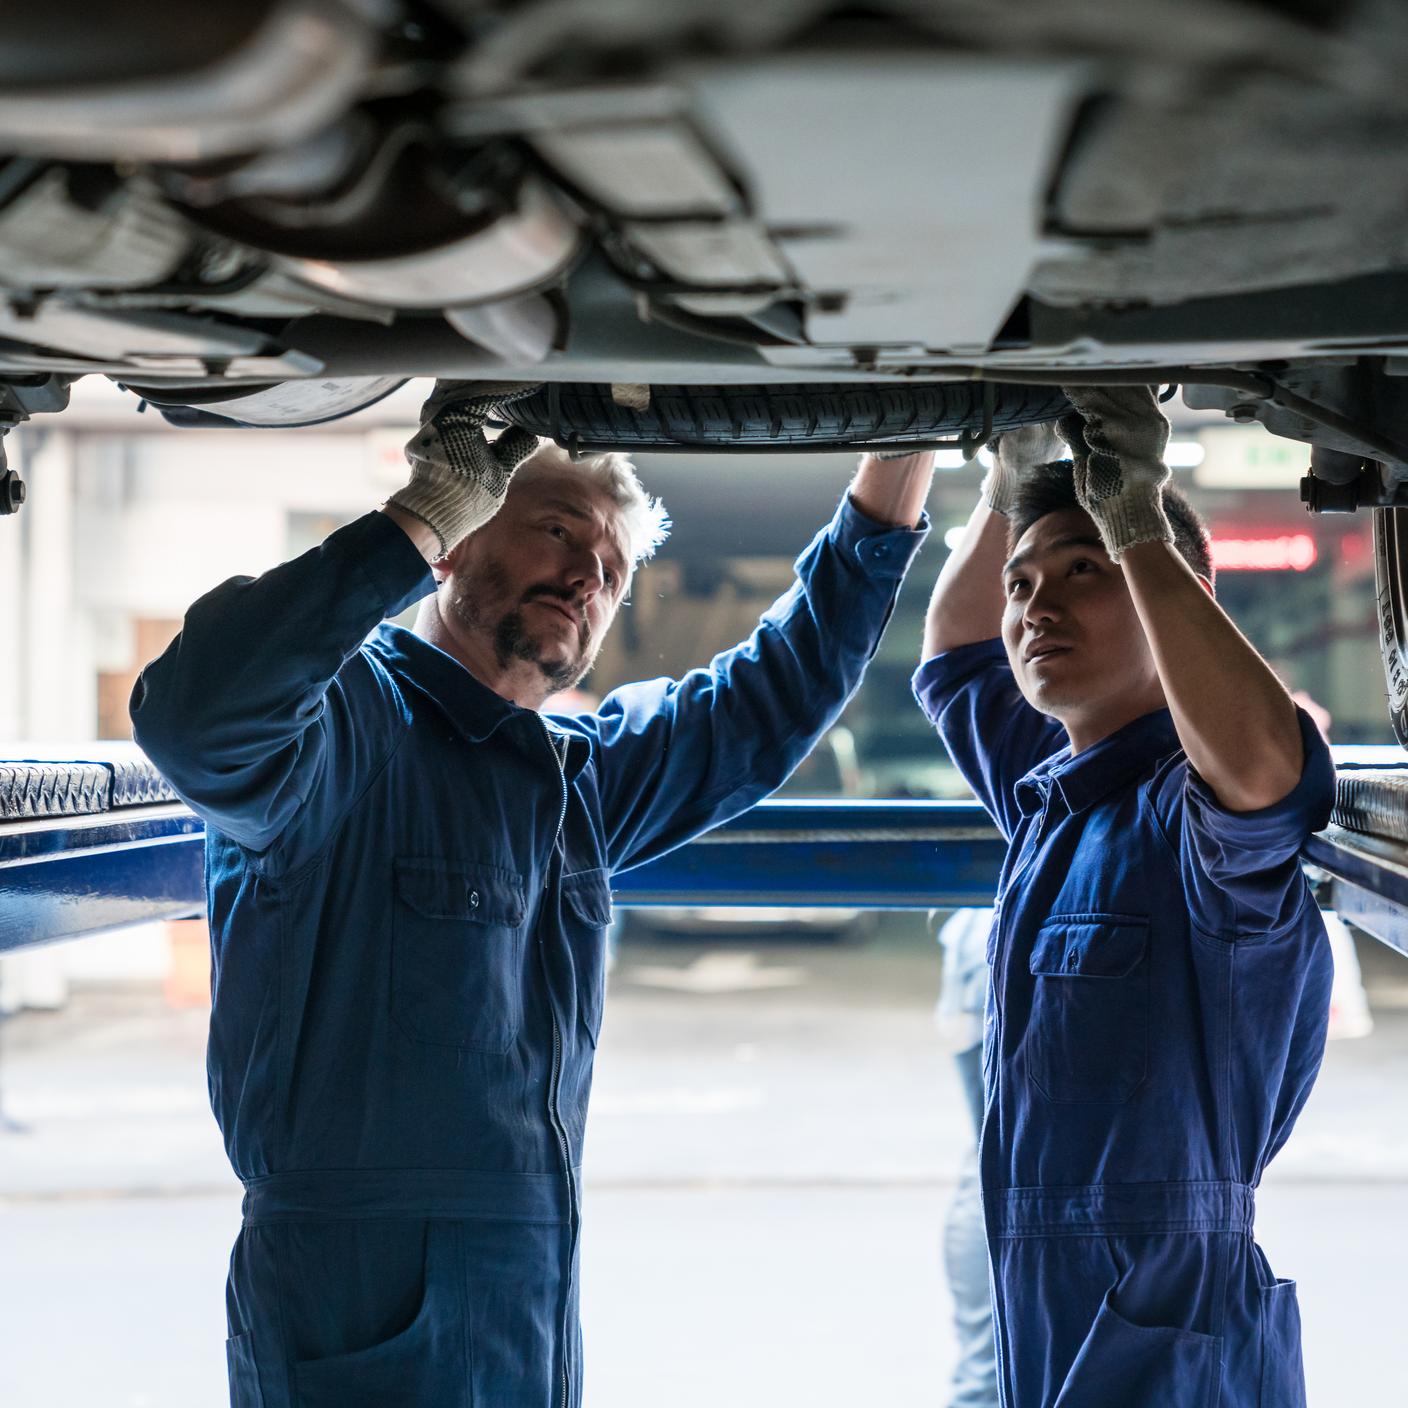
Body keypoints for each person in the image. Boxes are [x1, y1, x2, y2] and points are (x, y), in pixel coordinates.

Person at [130, 381, 934, 1408]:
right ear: (457, 547)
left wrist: (912, 433)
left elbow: (779, 689)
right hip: (356, 1296)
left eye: (608, 569)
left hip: (530, 1297)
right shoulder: (343, 731)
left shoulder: (573, 778)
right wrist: (420, 510)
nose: (585, 575)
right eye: (557, 532)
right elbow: (193, 715)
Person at [912, 388, 1335, 1408]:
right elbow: (956, 659)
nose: (1034, 606)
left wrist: (1137, 518)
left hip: (1168, 1319)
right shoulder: (1061, 795)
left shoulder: (1190, 824)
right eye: (1023, 583)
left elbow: (1269, 774)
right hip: (1049, 1303)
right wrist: (1005, 496)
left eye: (1081, 572)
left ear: (1166, 593)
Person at [932, 906, 1000, 1408]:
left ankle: (980, 1387)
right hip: (1022, 937)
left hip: (975, 945)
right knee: (1007, 1171)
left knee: (988, 1164)